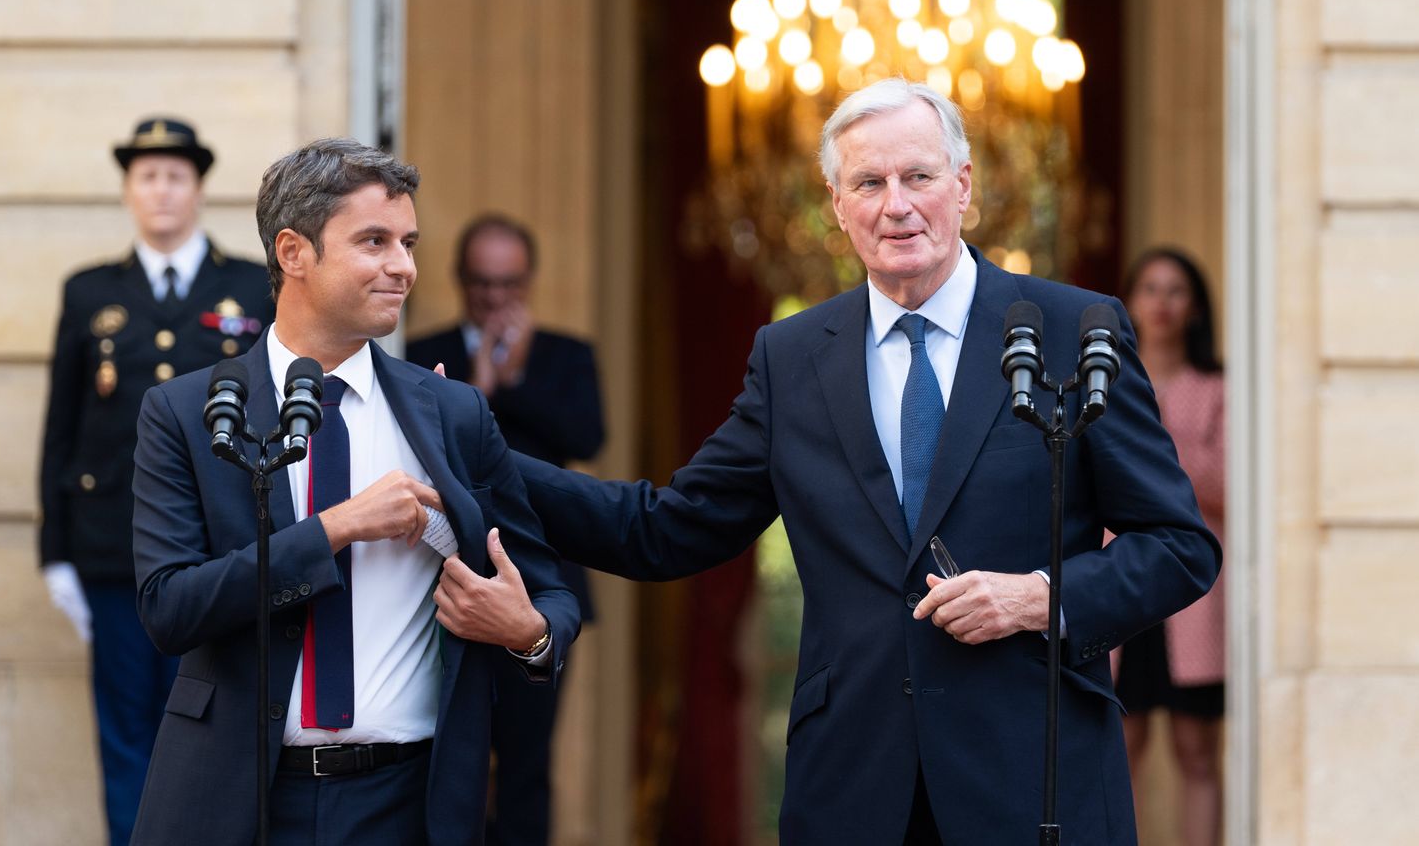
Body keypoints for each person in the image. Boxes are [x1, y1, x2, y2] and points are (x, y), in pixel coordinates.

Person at [506, 79, 1221, 845]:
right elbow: (667, 529)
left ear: (963, 184)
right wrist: (482, 459)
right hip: (852, 788)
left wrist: (1035, 598)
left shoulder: (1071, 325)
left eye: (918, 176)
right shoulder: (791, 357)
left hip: (1036, 776)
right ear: (837, 204)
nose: (896, 205)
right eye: (869, 184)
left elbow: (1178, 547)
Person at [127, 138, 579, 846]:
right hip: (236, 800)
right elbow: (169, 609)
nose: (404, 266)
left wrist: (528, 635)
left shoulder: (452, 412)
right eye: (374, 241)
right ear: (293, 252)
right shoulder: (185, 413)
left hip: (408, 805)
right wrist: (334, 528)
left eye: (408, 242)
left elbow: (548, 592)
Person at [38, 117, 273, 845]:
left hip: (220, 547)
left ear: (199, 188)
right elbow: (63, 424)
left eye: (175, 175)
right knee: (126, 729)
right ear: (128, 191)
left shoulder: (248, 285)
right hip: (114, 550)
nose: (161, 190)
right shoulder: (89, 294)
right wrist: (55, 549)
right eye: (147, 176)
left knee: (213, 724)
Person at [407, 213, 604, 846]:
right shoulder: (419, 355)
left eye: (509, 284)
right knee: (438, 762)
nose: (495, 298)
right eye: (482, 283)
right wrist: (478, 391)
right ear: (461, 280)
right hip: (439, 585)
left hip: (539, 582)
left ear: (529, 281)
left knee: (527, 763)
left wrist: (512, 382)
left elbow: (586, 437)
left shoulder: (566, 355)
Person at [1116, 249, 1226, 846]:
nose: (1161, 303)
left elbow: (1230, 486)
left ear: (1196, 306)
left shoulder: (1218, 388)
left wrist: (1159, 435)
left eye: (1176, 290)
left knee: (1196, 750)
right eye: (1149, 288)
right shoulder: (1102, 380)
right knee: (1118, 744)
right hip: (1119, 583)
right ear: (1128, 300)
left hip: (1193, 599)